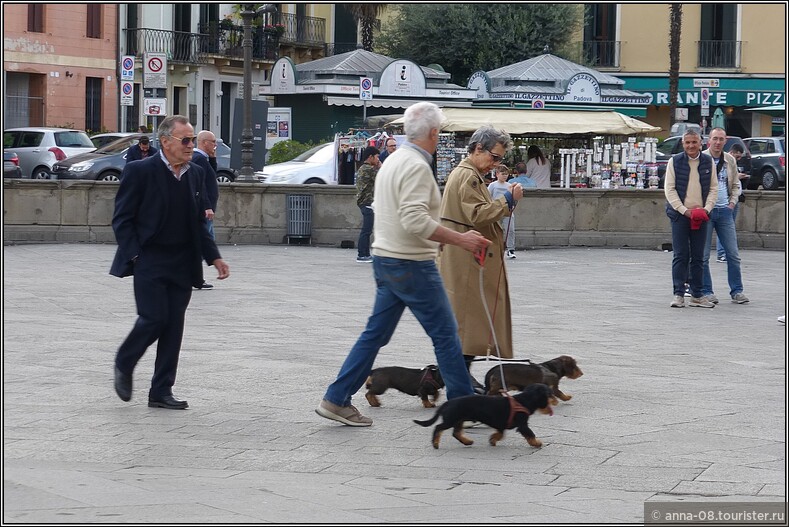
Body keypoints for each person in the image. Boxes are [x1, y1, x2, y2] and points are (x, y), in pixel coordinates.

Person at [316, 102, 491, 427]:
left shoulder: (393, 160)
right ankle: (464, 405)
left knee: (375, 335)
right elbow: (413, 219)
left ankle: (336, 398)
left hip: (386, 259)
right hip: (412, 264)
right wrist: (461, 239)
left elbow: (398, 215)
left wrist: (436, 237)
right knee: (446, 335)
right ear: (434, 133)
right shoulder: (414, 165)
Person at [110, 115, 230, 410]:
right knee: (153, 318)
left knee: (174, 325)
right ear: (165, 142)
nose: (191, 146)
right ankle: (124, 362)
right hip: (149, 258)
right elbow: (122, 219)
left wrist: (213, 256)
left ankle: (161, 390)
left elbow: (198, 222)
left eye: (192, 140)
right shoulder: (140, 171)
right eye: (185, 140)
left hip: (182, 259)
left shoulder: (196, 173)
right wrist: (135, 254)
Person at [437, 125, 523, 390]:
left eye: (500, 160)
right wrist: (508, 199)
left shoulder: (468, 174)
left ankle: (459, 379)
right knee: (467, 323)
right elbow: (477, 214)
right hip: (467, 261)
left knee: (468, 323)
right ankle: (459, 382)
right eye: (494, 157)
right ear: (477, 149)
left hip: (466, 258)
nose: (495, 164)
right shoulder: (468, 177)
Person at [664, 128, 718, 308]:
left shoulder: (708, 161)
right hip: (680, 216)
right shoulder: (675, 161)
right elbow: (669, 190)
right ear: (683, 144)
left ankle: (697, 294)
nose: (691, 146)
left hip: (701, 216)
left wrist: (707, 209)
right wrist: (683, 210)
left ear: (701, 143)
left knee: (699, 256)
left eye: (694, 142)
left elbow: (713, 188)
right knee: (680, 255)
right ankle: (678, 294)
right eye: (687, 142)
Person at [700, 127, 749, 305]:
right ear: (709, 141)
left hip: (725, 211)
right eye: (715, 139)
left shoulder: (729, 160)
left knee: (733, 254)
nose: (718, 142)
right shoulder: (701, 158)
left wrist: (732, 203)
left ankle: (737, 291)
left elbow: (736, 184)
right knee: (703, 255)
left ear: (725, 141)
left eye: (721, 139)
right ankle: (707, 291)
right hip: (707, 212)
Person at [191, 130, 220, 289]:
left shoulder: (203, 158)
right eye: (213, 141)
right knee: (203, 244)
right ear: (204, 142)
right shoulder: (199, 159)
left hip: (205, 209)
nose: (215, 145)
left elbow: (211, 177)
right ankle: (192, 275)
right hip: (204, 210)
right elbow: (202, 186)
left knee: (205, 243)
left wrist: (213, 159)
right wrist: (207, 206)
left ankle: (194, 276)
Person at [716, 143, 748, 262]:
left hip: (732, 200)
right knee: (724, 229)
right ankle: (721, 253)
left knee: (728, 228)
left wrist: (733, 202)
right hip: (724, 201)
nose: (739, 159)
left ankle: (726, 253)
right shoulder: (725, 161)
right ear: (732, 152)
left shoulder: (732, 162)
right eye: (738, 156)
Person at [355, 145, 380, 263]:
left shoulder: (362, 168)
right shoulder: (369, 169)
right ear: (370, 157)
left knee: (367, 229)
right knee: (366, 230)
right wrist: (381, 166)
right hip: (367, 202)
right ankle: (362, 254)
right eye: (376, 157)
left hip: (363, 202)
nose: (377, 160)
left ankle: (365, 254)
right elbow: (382, 178)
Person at [488, 164, 517, 259]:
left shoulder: (509, 185)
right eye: (502, 174)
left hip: (507, 210)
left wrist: (512, 206)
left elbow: (514, 197)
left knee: (510, 230)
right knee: (495, 230)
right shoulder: (492, 185)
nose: (505, 176)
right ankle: (495, 247)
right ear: (497, 174)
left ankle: (510, 249)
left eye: (506, 174)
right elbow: (488, 197)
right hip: (496, 210)